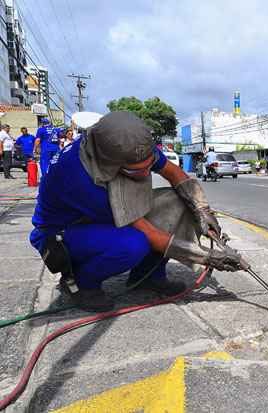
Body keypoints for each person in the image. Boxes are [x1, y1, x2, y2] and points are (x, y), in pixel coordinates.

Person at [30, 112, 243, 312]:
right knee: (134, 243)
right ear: (110, 162)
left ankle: (148, 277)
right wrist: (208, 257)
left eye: (147, 167)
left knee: (179, 203)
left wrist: (202, 209)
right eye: (134, 171)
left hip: (102, 218)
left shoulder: (132, 145)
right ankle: (80, 282)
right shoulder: (81, 177)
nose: (144, 175)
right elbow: (150, 234)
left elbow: (173, 172)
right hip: (63, 233)